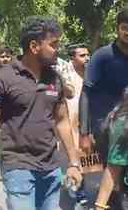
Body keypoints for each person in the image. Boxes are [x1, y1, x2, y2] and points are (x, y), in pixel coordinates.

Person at [0, 16, 82, 210]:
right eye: (53, 45)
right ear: (34, 46)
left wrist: (73, 163)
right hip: (17, 168)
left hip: (51, 169)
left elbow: (62, 121)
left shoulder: (55, 78)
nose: (58, 50)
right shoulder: (4, 79)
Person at [79, 6, 128, 210]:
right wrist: (84, 132)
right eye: (125, 27)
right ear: (117, 29)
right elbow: (85, 93)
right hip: (104, 127)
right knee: (107, 174)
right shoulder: (102, 56)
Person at [67, 43, 90, 206]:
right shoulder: (66, 76)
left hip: (88, 125)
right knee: (75, 158)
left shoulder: (93, 75)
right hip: (70, 126)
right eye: (82, 55)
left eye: (88, 54)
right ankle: (79, 192)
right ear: (72, 59)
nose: (87, 58)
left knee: (89, 160)